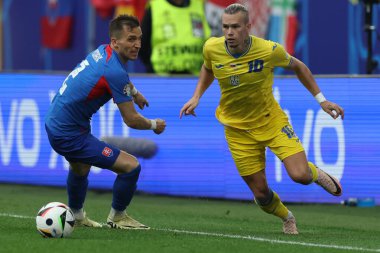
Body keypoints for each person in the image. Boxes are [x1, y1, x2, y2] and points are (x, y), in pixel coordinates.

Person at [180, 3, 344, 235]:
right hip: (237, 130)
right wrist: (196, 96)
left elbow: (299, 67)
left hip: (271, 121)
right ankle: (287, 217)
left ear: (248, 27)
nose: (229, 33)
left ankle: (315, 173)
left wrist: (322, 100)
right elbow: (208, 68)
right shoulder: (212, 47)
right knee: (261, 194)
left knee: (300, 176)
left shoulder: (269, 50)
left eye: (235, 27)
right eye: (225, 27)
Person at [45, 14, 166, 230]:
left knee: (80, 167)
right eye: (131, 39)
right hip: (69, 133)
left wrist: (135, 93)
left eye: (139, 38)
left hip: (59, 122)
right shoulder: (114, 71)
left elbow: (118, 76)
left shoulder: (103, 51)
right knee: (131, 167)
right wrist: (154, 125)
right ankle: (118, 217)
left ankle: (76, 215)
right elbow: (131, 120)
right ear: (115, 41)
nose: (137, 44)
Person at [140, 0, 210, 74]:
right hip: (161, 79)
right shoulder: (155, 7)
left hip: (196, 79)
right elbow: (142, 45)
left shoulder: (201, 6)